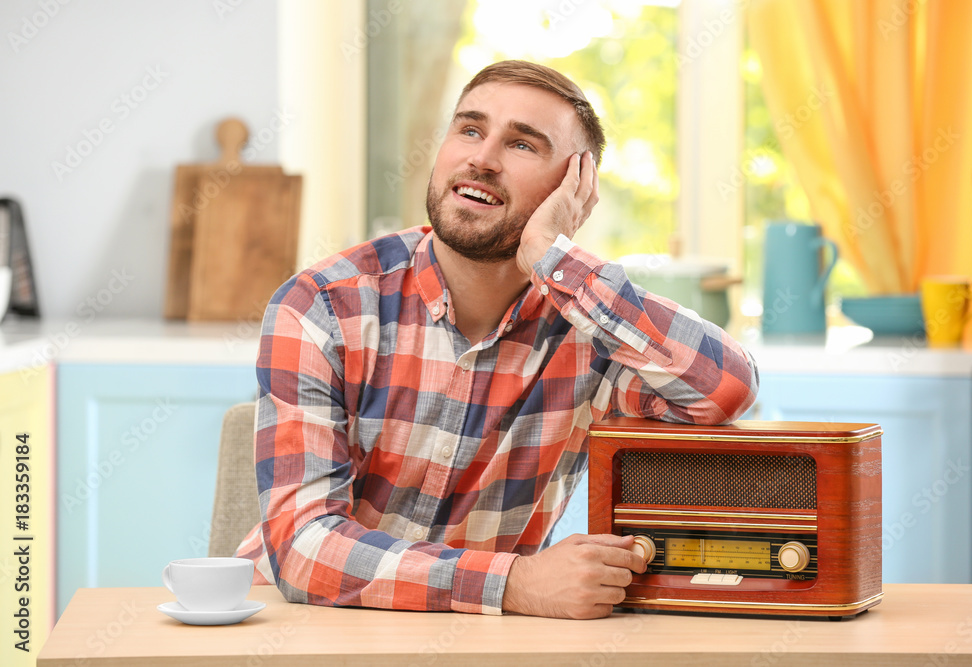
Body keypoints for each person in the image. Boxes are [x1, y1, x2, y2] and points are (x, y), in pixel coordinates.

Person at [234, 60, 759, 619]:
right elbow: (301, 550)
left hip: (482, 643)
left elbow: (725, 389)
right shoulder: (321, 306)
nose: (481, 158)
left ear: (574, 187)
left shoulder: (592, 332)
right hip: (302, 628)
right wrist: (516, 583)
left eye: (523, 145)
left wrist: (553, 261)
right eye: (469, 129)